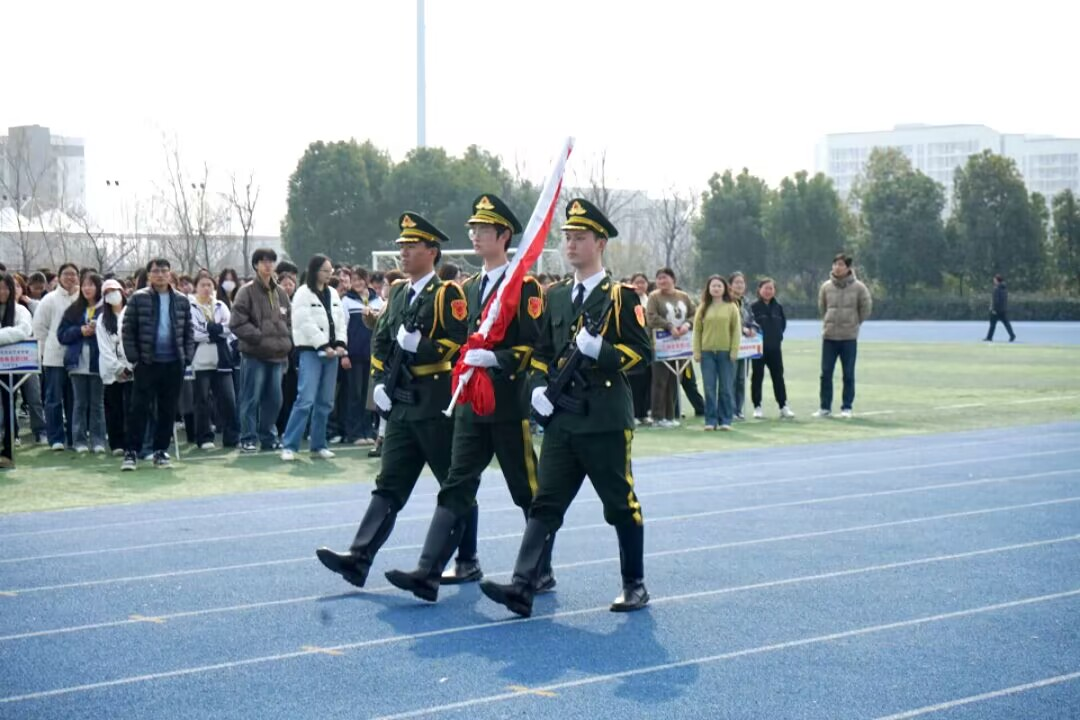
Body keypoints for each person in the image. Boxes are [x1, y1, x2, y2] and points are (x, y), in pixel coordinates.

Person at [479, 197, 652, 618]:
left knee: (620, 503)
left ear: (600, 243)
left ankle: (634, 585)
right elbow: (541, 353)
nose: (571, 244)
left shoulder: (620, 298)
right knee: (545, 502)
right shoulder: (555, 296)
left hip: (604, 420)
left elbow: (642, 354)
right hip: (563, 421)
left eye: (580, 237)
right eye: (568, 237)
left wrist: (601, 351)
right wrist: (537, 388)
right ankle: (524, 584)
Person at [384, 193, 551, 602]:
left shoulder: (524, 286)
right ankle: (428, 571)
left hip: (506, 404)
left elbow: (535, 347)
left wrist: (497, 358)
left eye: (483, 229)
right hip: (470, 405)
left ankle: (540, 570)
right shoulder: (469, 288)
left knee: (526, 490)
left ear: (504, 235)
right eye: (473, 228)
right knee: (456, 484)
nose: (474, 235)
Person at [315, 212, 467, 588]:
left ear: (432, 251)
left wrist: (423, 346)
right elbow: (381, 340)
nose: (403, 252)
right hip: (400, 401)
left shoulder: (447, 293)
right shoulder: (398, 292)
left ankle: (456, 563)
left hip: (434, 400)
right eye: (402, 245)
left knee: (454, 485)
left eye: (411, 246)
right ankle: (359, 557)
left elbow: (457, 341)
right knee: (389, 484)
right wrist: (380, 382)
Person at [121, 257, 195, 470]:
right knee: (139, 408)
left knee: (167, 410)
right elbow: (128, 330)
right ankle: (131, 452)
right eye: (156, 271)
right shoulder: (138, 298)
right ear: (149, 275)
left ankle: (160, 451)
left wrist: (187, 357)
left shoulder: (181, 300)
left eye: (164, 271)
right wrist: (135, 358)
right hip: (147, 362)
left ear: (170, 274)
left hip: (173, 362)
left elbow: (188, 331)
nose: (160, 275)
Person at [280, 255, 348, 461]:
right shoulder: (303, 293)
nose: (329, 274)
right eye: (325, 271)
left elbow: (340, 321)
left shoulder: (333, 293)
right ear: (315, 271)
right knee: (305, 399)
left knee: (325, 401)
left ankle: (318, 444)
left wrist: (340, 344)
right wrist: (323, 345)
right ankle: (289, 445)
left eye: (330, 271)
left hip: (332, 354)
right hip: (311, 351)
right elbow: (304, 322)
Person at [230, 249, 292, 453]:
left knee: (274, 400)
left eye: (271, 261)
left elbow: (289, 321)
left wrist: (286, 339)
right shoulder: (246, 291)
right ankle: (248, 437)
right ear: (256, 265)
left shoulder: (281, 293)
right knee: (251, 398)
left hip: (278, 356)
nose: (267, 265)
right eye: (263, 261)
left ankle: (268, 437)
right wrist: (259, 337)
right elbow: (237, 322)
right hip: (254, 355)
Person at [815, 253, 872, 419]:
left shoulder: (859, 287)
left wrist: (854, 323)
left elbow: (866, 308)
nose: (837, 267)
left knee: (848, 373)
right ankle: (825, 407)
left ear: (848, 268)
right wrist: (828, 321)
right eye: (835, 264)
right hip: (829, 337)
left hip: (848, 337)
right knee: (826, 373)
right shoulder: (826, 287)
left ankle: (847, 407)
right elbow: (822, 307)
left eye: (841, 264)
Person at [189, 273, 240, 450]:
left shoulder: (220, 305)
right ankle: (204, 437)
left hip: (222, 359)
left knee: (228, 399)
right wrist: (216, 332)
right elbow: (194, 333)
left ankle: (232, 436)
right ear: (196, 287)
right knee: (202, 400)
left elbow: (230, 328)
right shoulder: (191, 306)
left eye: (209, 285)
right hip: (199, 360)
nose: (206, 288)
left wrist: (214, 330)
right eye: (202, 285)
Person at [57, 272, 105, 453]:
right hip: (77, 363)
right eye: (84, 285)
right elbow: (61, 335)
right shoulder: (73, 309)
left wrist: (98, 330)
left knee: (97, 404)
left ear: (98, 287)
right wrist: (80, 331)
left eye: (91, 285)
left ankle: (98, 441)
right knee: (79, 403)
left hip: (98, 362)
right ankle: (79, 441)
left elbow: (114, 332)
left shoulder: (105, 309)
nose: (87, 288)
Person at [33, 262, 79, 450]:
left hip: (78, 359)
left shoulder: (82, 298)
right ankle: (56, 438)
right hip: (54, 358)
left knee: (74, 399)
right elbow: (39, 328)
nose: (70, 277)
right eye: (66, 274)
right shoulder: (49, 299)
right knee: (53, 399)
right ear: (59, 277)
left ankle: (75, 437)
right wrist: (45, 351)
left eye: (73, 274)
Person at [645, 268, 694, 428]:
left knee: (675, 379)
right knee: (660, 380)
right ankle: (658, 417)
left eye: (664, 278)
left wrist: (687, 324)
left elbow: (694, 314)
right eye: (659, 278)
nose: (661, 281)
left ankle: (670, 415)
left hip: (680, 344)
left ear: (673, 279)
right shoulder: (654, 297)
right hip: (661, 345)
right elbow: (651, 317)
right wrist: (669, 326)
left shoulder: (683, 296)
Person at [693, 275, 741, 431]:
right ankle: (710, 420)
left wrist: (734, 350)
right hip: (707, 353)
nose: (716, 288)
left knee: (726, 388)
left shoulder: (731, 307)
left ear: (725, 288)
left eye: (719, 286)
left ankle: (725, 420)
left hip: (725, 353)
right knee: (709, 388)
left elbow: (736, 330)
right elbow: (697, 331)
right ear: (708, 289)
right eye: (713, 286)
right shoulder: (702, 307)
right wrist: (697, 351)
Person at [339, 267, 379, 445]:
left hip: (372, 356)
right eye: (354, 280)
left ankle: (368, 432)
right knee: (354, 395)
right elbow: (342, 328)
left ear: (366, 280)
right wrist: (344, 354)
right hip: (354, 356)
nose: (357, 283)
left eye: (360, 279)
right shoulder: (346, 301)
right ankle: (354, 433)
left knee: (369, 397)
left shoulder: (378, 300)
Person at [0, 273, 34, 469]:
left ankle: (8, 448)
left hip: (11, 366)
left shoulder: (20, 310)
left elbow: (23, 330)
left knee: (9, 403)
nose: (2, 292)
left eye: (6, 288)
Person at [97, 279, 133, 456]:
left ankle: (132, 441)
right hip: (111, 371)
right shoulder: (102, 320)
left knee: (131, 407)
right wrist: (118, 368)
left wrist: (129, 366)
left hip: (131, 368)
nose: (112, 294)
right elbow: (104, 348)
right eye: (107, 292)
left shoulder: (131, 314)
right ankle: (116, 443)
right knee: (114, 407)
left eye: (115, 290)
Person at [751, 278, 794, 419]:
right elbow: (750, 324)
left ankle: (783, 406)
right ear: (759, 290)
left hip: (775, 349)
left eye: (771, 288)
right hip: (758, 349)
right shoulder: (753, 307)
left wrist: (777, 337)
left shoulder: (778, 307)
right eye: (765, 288)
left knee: (778, 377)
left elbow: (783, 325)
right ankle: (757, 406)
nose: (768, 291)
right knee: (757, 377)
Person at [728, 271, 758, 421]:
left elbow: (751, 319)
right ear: (730, 285)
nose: (740, 285)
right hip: (730, 345)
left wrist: (753, 328)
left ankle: (738, 410)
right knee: (731, 379)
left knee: (741, 379)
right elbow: (727, 321)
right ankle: (730, 410)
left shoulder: (745, 301)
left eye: (742, 282)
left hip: (745, 347)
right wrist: (742, 329)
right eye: (736, 282)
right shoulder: (726, 301)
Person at [628, 272, 652, 425]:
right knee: (634, 381)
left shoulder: (650, 300)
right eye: (637, 282)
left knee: (647, 380)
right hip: (633, 345)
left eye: (643, 282)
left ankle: (644, 413)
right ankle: (634, 413)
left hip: (649, 345)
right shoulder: (628, 300)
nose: (640, 285)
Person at [984, 274, 1016, 343]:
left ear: (997, 280)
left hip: (996, 310)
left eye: (994, 279)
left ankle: (989, 337)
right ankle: (1012, 335)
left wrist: (993, 309)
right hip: (1003, 309)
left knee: (992, 324)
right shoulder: (1005, 289)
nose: (994, 281)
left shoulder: (996, 289)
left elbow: (995, 300)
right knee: (1006, 323)